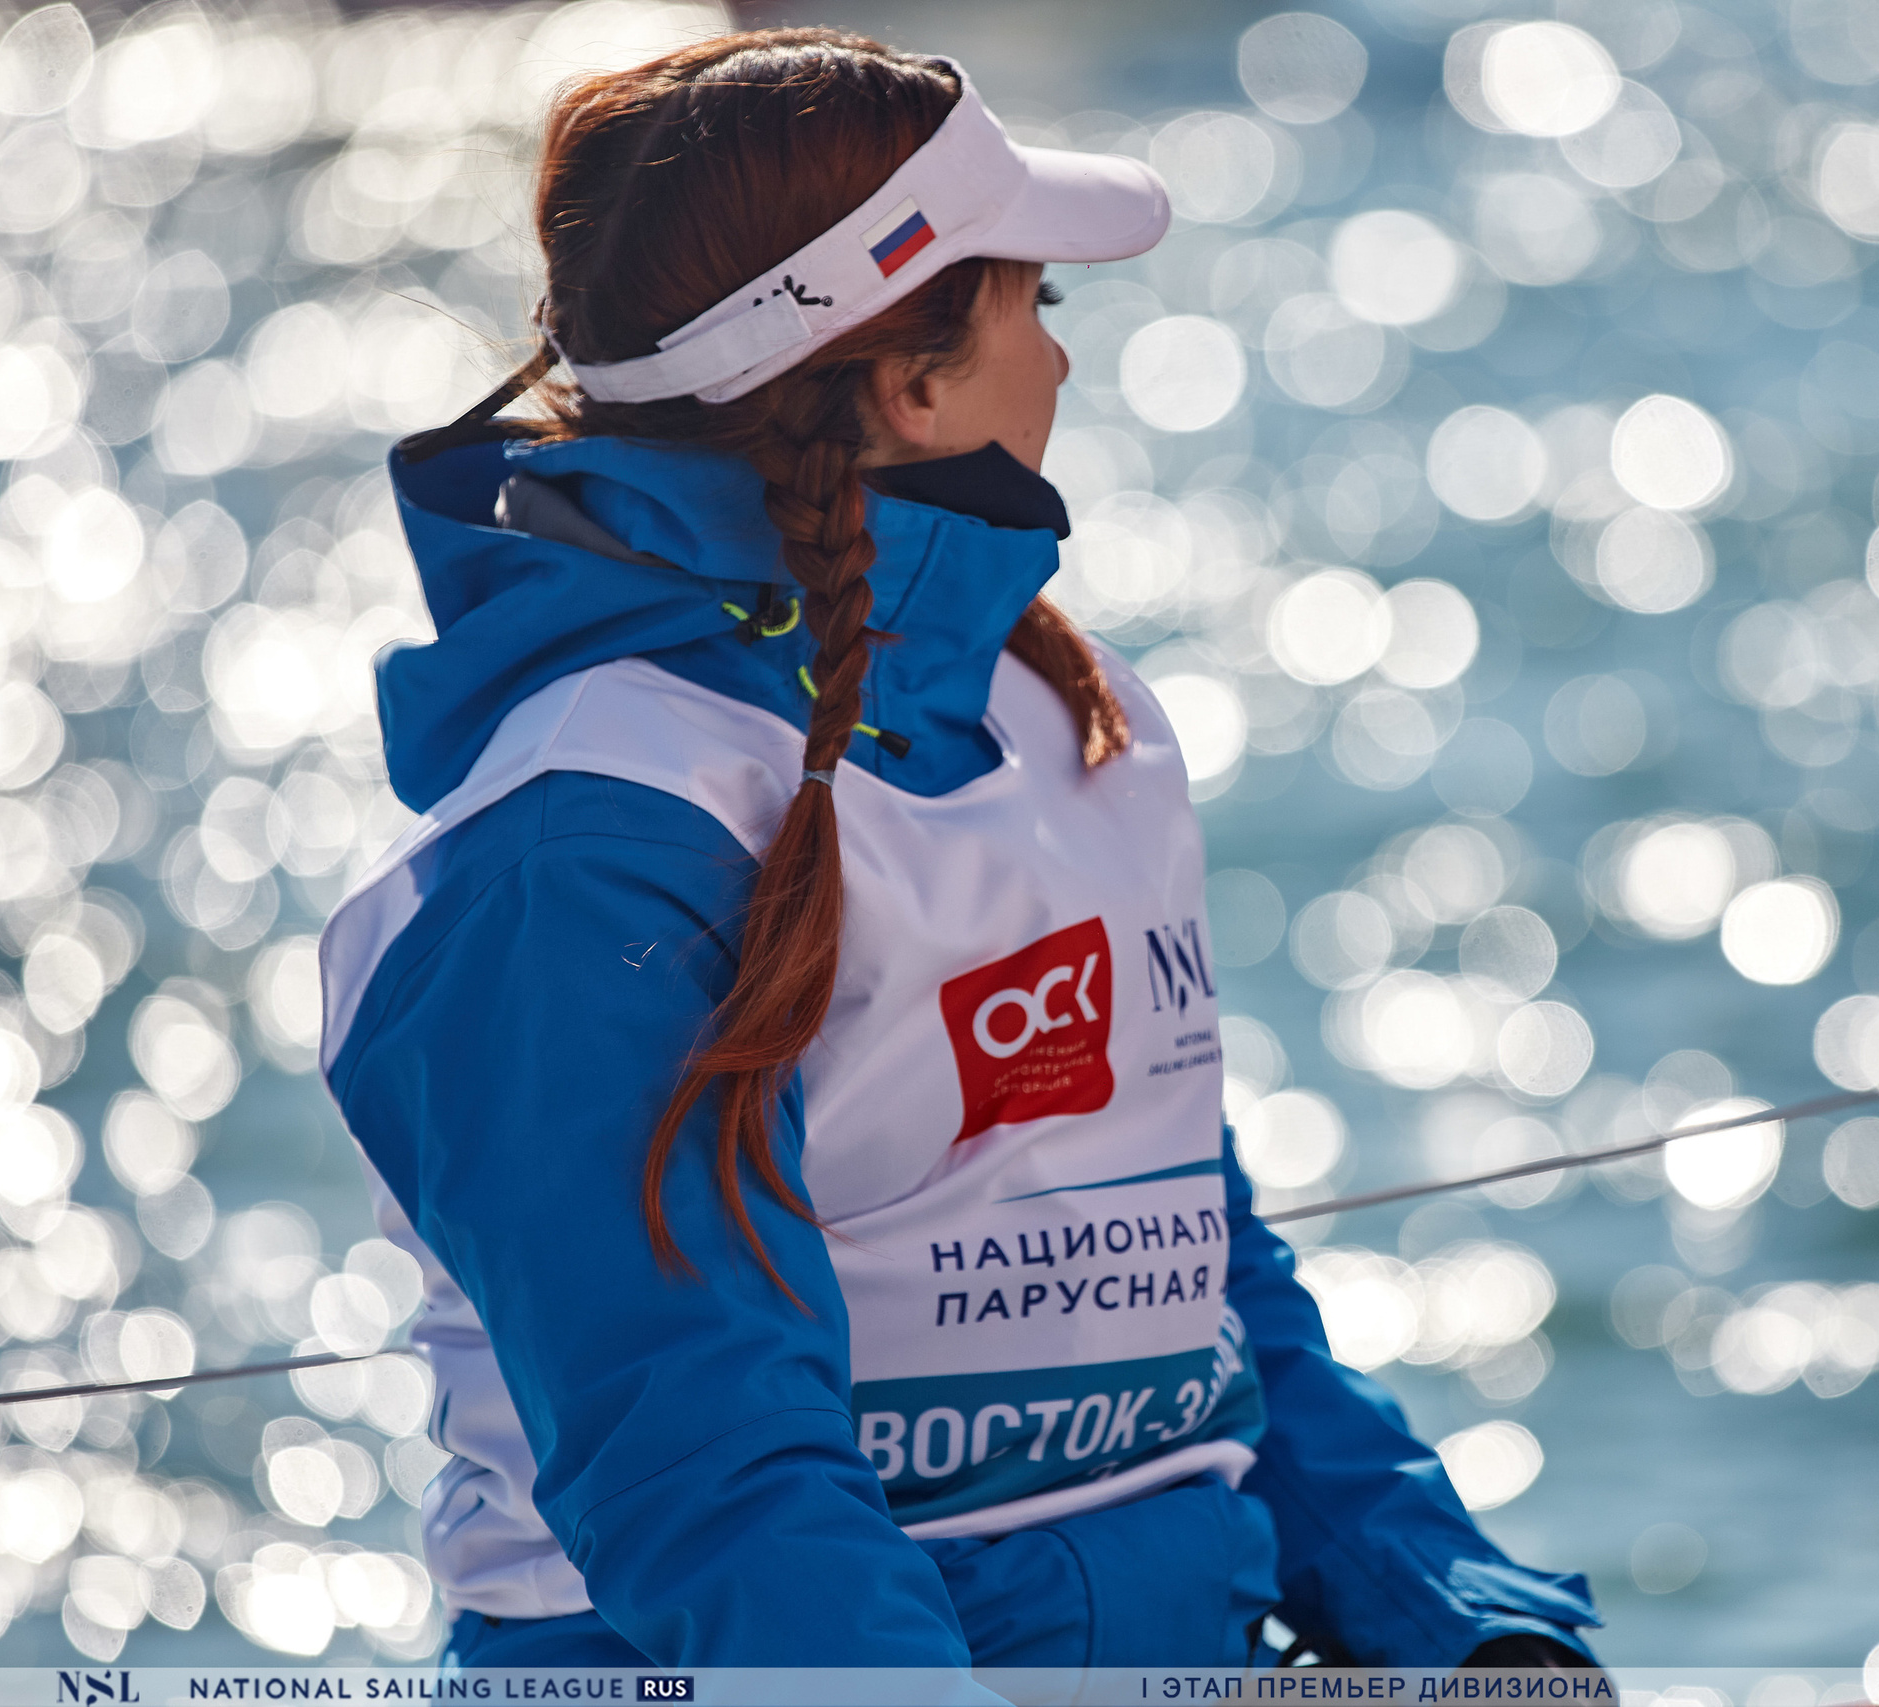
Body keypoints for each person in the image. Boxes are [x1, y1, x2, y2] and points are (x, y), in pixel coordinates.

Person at [317, 27, 1600, 1674]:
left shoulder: (1075, 711)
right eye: (1038, 306)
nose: (1063, 363)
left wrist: (1459, 1627)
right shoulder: (584, 856)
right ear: (913, 387)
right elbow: (712, 1485)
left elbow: (1194, 1280)